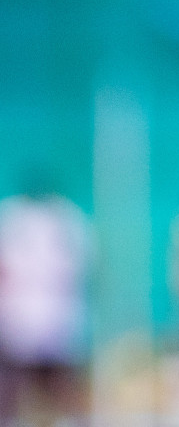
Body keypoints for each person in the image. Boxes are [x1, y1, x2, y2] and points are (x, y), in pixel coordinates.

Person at [0, 173, 90, 427]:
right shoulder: (69, 218)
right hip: (55, 310)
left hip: (24, 310)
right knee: (57, 382)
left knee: (17, 384)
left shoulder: (10, 217)